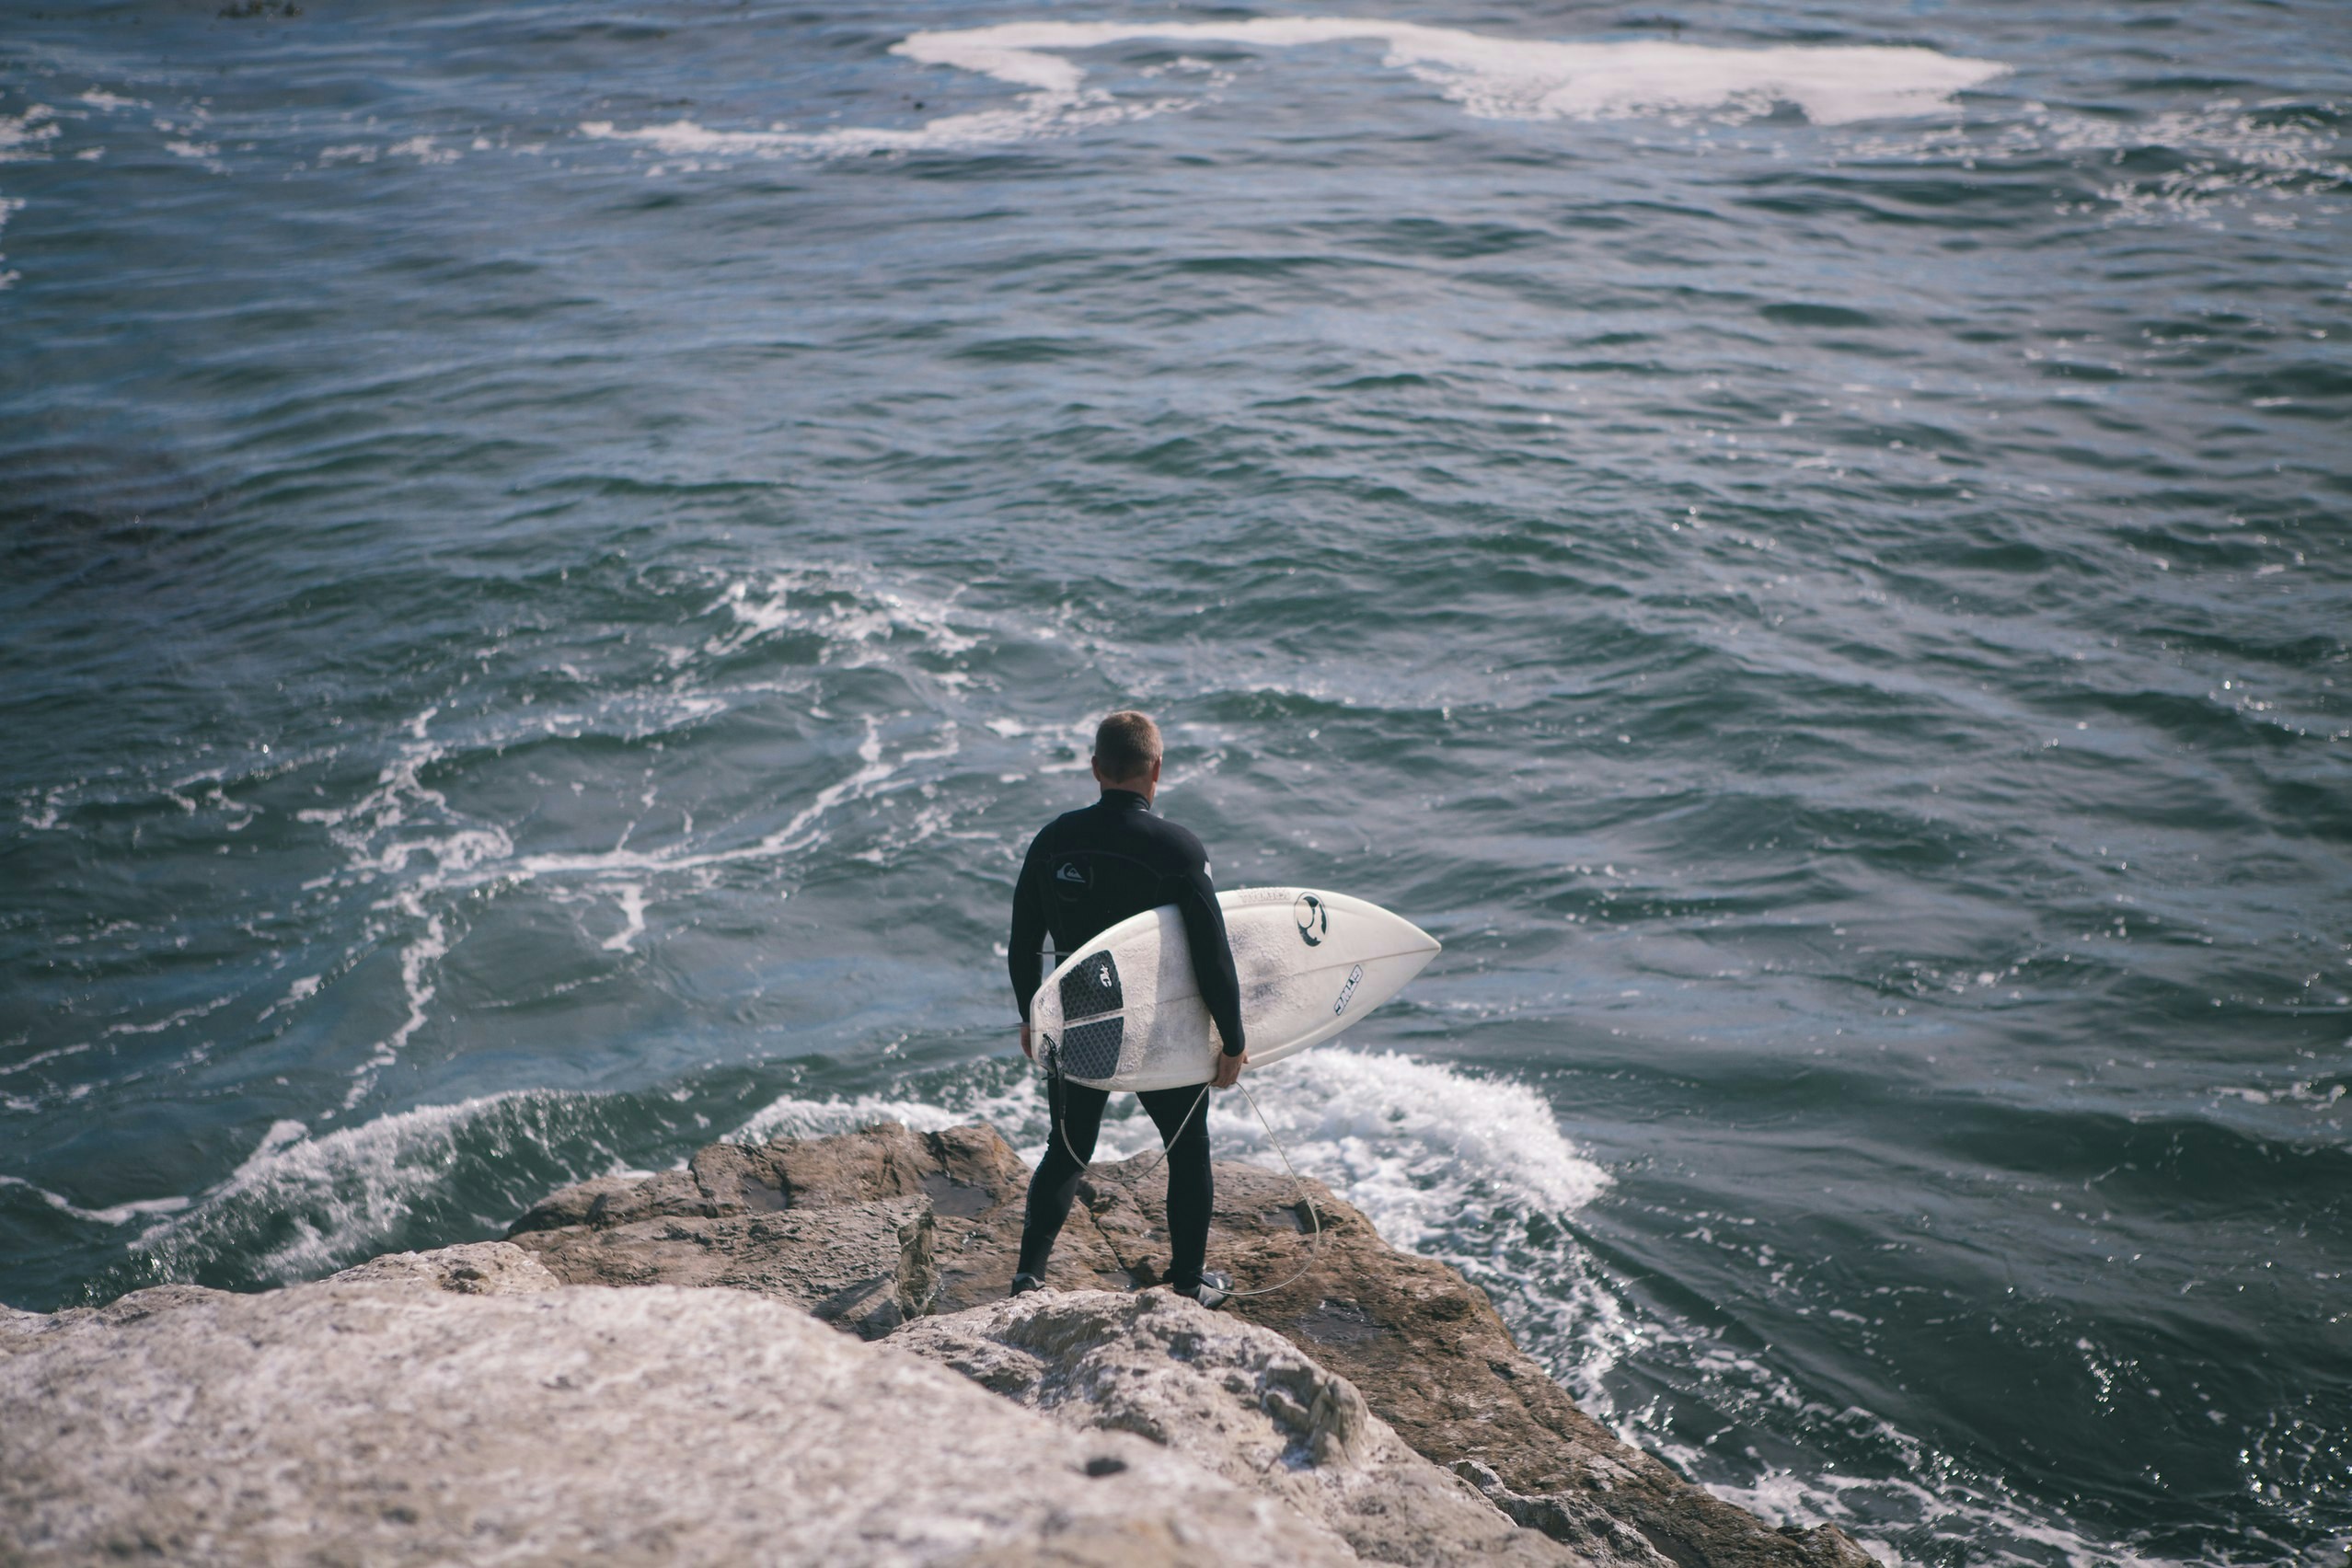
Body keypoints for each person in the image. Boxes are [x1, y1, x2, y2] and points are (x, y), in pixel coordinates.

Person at [1008, 709, 1248, 1308]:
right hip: (1155, 1024)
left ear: (1095, 769)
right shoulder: (1177, 849)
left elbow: (1022, 943)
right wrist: (1234, 1039)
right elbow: (1214, 956)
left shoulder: (1052, 840)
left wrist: (1030, 1016)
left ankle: (1028, 1278)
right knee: (1186, 1147)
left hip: (1080, 1016)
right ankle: (1189, 1283)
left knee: (1067, 1147)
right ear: (1156, 771)